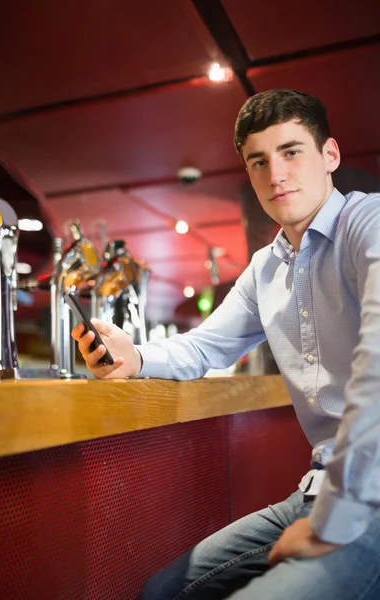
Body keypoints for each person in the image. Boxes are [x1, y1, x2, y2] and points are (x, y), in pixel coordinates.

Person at [72, 89, 380, 599]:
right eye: (259, 161)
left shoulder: (367, 222)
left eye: (291, 152)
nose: (275, 174)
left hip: (364, 497)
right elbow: (203, 347)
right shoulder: (265, 268)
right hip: (315, 490)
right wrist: (137, 356)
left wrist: (336, 518)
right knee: (161, 592)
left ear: (330, 156)